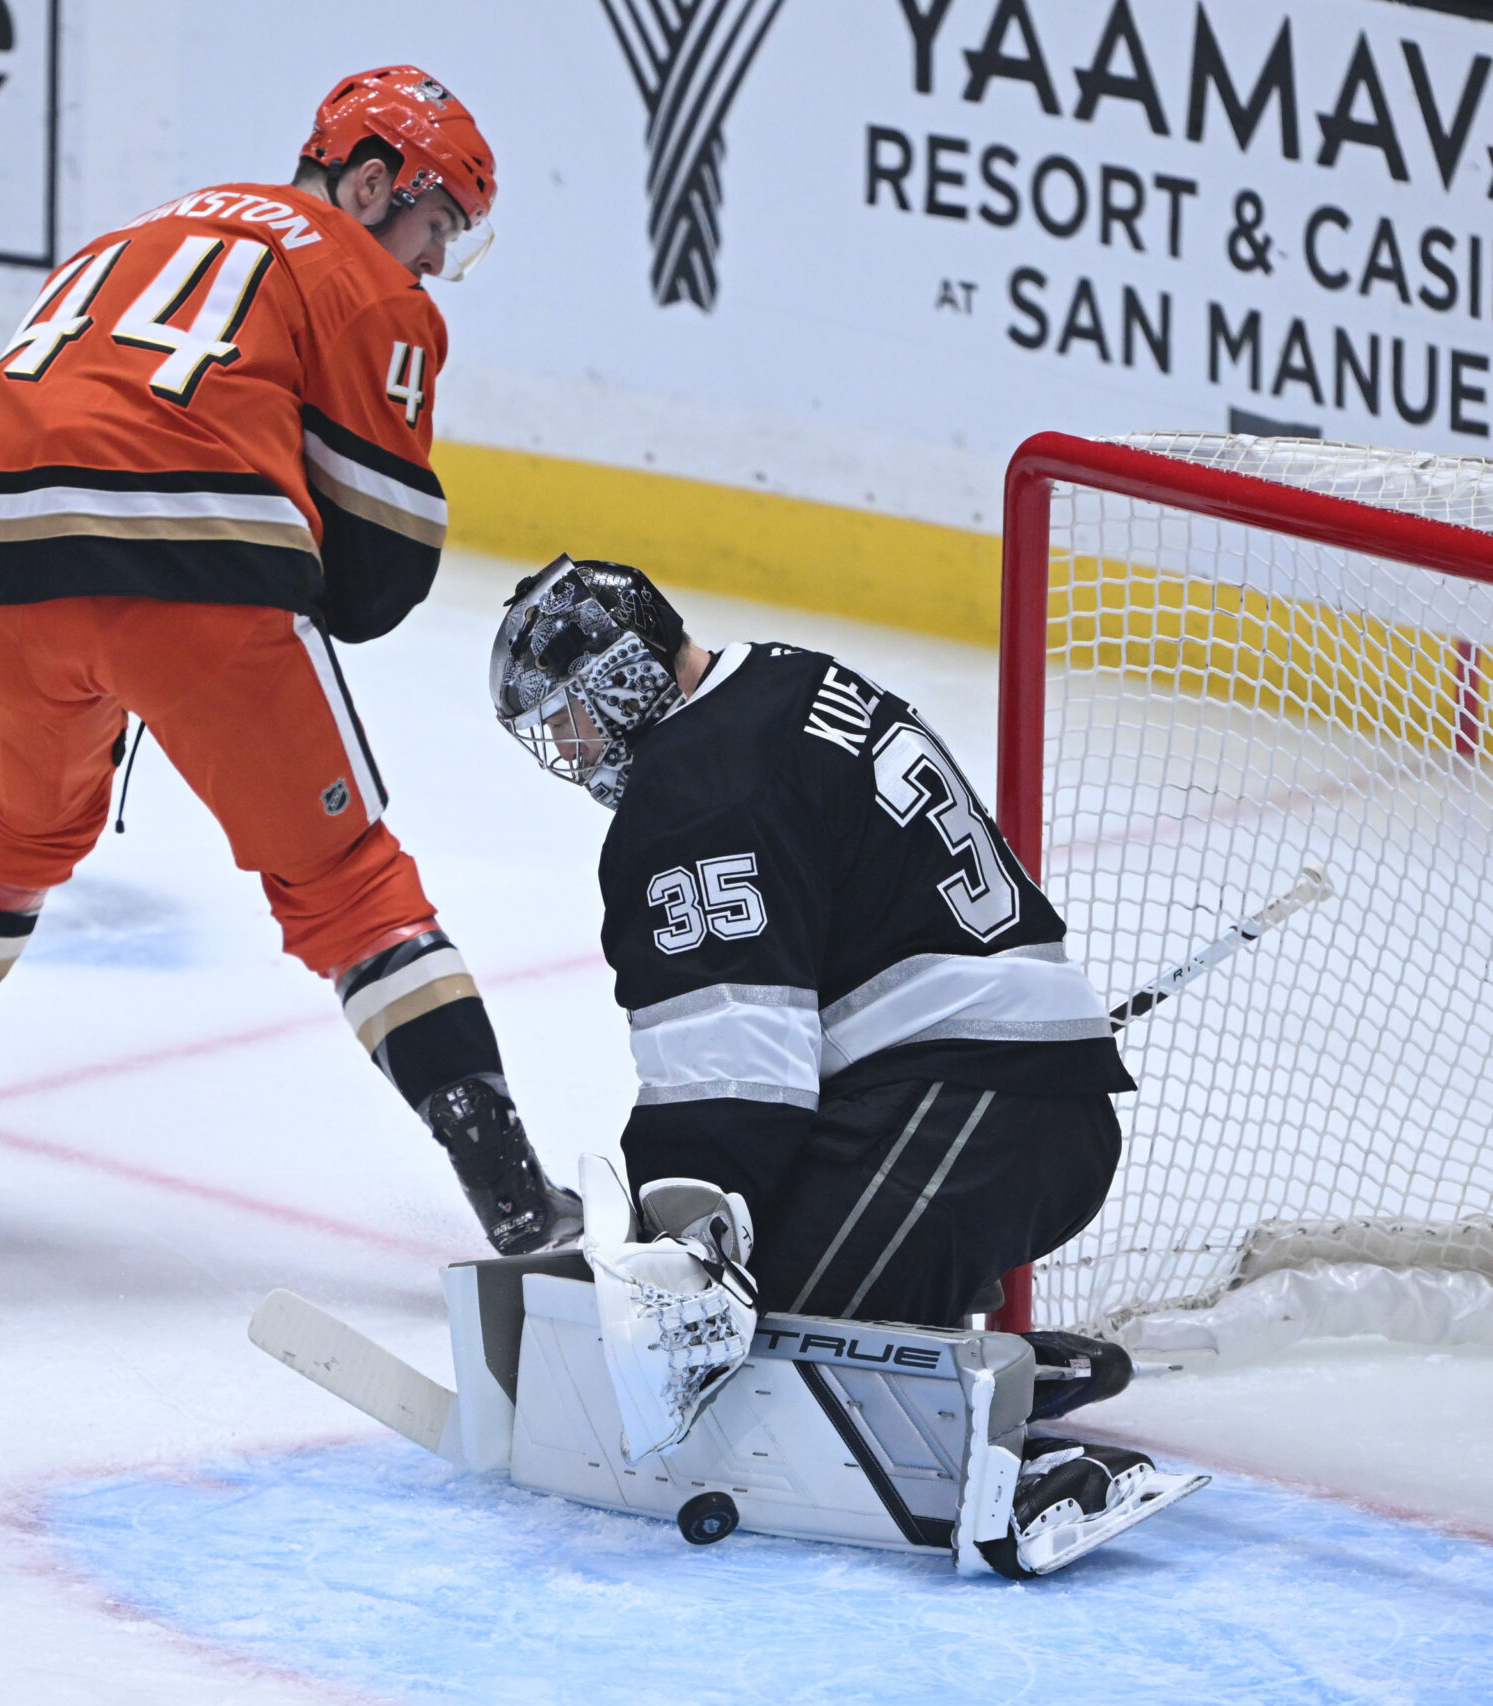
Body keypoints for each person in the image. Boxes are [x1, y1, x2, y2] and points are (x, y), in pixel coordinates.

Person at [0, 67, 580, 1255]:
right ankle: (514, 1190)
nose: (433, 263)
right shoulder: (363, 281)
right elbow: (378, 581)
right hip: (198, 577)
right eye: (437, 226)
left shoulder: (123, 242)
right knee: (344, 879)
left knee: (9, 833)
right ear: (372, 180)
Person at [488, 554, 1179, 1573]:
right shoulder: (785, 677)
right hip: (1013, 1096)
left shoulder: (693, 792)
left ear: (625, 676)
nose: (573, 748)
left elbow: (734, 1077)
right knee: (764, 1296)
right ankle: (975, 1351)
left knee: (751, 1348)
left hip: (968, 1112)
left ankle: (999, 1430)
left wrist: (676, 1240)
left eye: (571, 715)